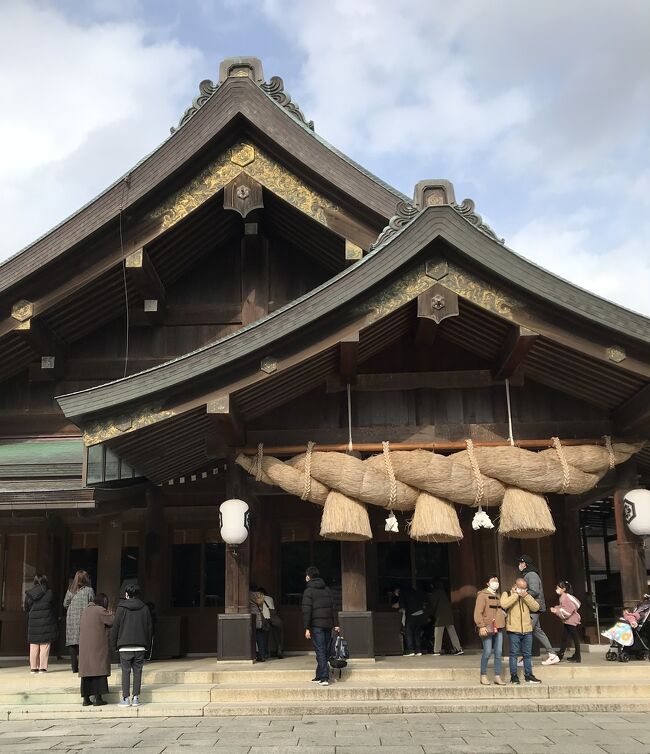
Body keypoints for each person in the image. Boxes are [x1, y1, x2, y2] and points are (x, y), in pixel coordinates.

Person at [110, 584, 152, 707]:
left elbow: (115, 628)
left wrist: (114, 646)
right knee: (138, 672)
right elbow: (149, 628)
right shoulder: (144, 608)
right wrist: (147, 645)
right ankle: (136, 698)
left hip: (124, 646)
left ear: (126, 594)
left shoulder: (121, 608)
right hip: (140, 646)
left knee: (125, 672)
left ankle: (125, 698)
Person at [517, 555, 560, 666]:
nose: (519, 565)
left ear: (524, 564)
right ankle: (552, 654)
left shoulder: (531, 574)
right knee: (537, 631)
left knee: (526, 631)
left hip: (534, 607)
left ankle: (525, 659)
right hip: (533, 607)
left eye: (520, 563)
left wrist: (520, 593)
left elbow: (534, 591)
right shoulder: (528, 574)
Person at [500, 577, 542, 685]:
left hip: (527, 629)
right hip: (513, 630)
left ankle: (529, 675)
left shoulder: (526, 596)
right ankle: (514, 676)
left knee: (527, 654)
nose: (523, 590)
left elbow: (536, 607)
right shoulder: (507, 594)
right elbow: (504, 604)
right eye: (521, 588)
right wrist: (515, 595)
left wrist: (525, 596)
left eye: (525, 588)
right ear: (515, 586)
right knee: (513, 654)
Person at [302, 566, 339, 686]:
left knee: (320, 650)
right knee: (324, 650)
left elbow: (307, 611)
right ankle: (319, 675)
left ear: (308, 577)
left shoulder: (308, 591)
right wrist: (336, 624)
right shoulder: (327, 590)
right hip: (328, 624)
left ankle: (324, 677)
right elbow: (333, 608)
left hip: (316, 625)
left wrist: (307, 627)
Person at [79, 592, 114, 706]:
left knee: (87, 673)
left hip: (85, 647)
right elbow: (112, 620)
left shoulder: (86, 610)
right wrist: (111, 611)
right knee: (98, 671)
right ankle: (98, 698)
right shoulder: (100, 610)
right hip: (97, 646)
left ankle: (86, 699)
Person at [473, 574, 506, 686]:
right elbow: (478, 612)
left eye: (497, 580)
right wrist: (481, 625)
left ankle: (497, 676)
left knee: (499, 652)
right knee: (487, 652)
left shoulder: (498, 595)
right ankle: (483, 675)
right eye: (493, 580)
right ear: (487, 583)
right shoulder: (482, 595)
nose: (496, 582)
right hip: (487, 626)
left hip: (498, 626)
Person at [24, 574, 58, 673]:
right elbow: (54, 606)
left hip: (33, 622)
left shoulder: (29, 593)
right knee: (45, 645)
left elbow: (26, 608)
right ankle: (42, 668)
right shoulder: (49, 592)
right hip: (47, 621)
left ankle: (33, 668)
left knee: (34, 645)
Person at [63, 570, 95, 673]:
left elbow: (65, 604)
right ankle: (83, 666)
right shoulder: (89, 590)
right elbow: (92, 603)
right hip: (84, 618)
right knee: (83, 643)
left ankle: (74, 668)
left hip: (71, 619)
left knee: (72, 643)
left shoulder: (70, 590)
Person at [428, 580, 463, 656]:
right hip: (448, 615)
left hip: (440, 615)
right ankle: (458, 648)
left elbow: (432, 605)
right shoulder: (445, 592)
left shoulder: (435, 593)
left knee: (438, 632)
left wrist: (429, 613)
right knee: (452, 632)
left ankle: (437, 650)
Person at [550, 580, 582, 663]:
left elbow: (567, 611)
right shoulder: (564, 597)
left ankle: (575, 656)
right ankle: (564, 655)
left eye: (558, 588)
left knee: (572, 637)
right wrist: (557, 609)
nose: (556, 589)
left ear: (563, 589)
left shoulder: (565, 597)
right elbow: (564, 607)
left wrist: (556, 611)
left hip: (570, 620)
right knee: (567, 638)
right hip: (569, 620)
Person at [400, 585, 427, 656]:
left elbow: (402, 607)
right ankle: (419, 650)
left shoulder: (403, 593)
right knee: (417, 633)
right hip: (420, 615)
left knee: (409, 633)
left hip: (411, 615)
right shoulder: (416, 593)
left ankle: (410, 650)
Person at [259, 587, 284, 659]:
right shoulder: (270, 598)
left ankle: (266, 652)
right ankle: (279, 649)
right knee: (277, 634)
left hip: (264, 619)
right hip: (273, 619)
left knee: (264, 636)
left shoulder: (259, 598)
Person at [249, 586, 269, 662]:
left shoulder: (248, 595)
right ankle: (262, 655)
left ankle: (253, 654)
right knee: (260, 637)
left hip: (252, 618)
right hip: (259, 617)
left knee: (252, 638)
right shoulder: (260, 595)